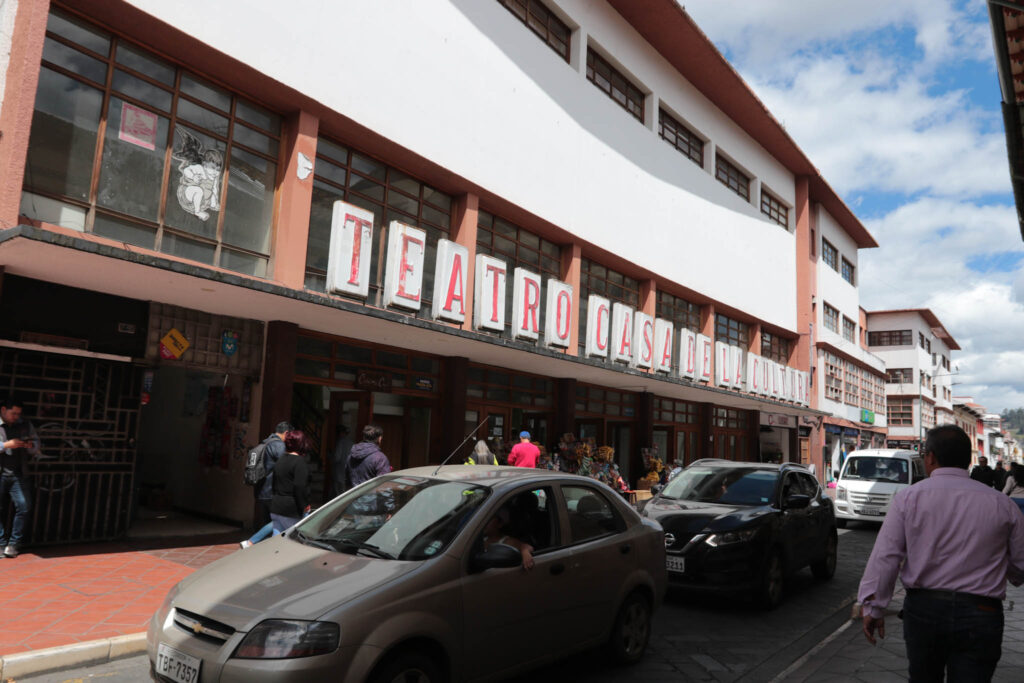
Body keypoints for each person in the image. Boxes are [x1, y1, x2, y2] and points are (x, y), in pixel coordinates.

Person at [858, 425, 1024, 681]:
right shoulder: (1003, 504)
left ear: (931, 456)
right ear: (968, 460)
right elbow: (1020, 565)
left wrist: (874, 607)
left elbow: (886, 557)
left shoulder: (908, 499)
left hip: (925, 610)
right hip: (982, 612)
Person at [0, 398, 39, 558]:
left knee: (24, 506)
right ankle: (1, 544)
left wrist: (28, 445)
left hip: (18, 473)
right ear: (3, 409)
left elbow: (36, 444)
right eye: (13, 413)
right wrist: (5, 445)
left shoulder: (25, 424)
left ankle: (14, 544)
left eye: (18, 414)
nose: (16, 416)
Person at [269, 430, 311, 533]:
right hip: (291, 509)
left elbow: (274, 482)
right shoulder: (299, 463)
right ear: (302, 444)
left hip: (276, 506)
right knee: (292, 541)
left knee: (277, 540)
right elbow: (299, 487)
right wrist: (304, 506)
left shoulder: (280, 459)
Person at [255, 421, 292, 528]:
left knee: (265, 523)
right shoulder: (279, 445)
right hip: (272, 492)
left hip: (261, 490)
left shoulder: (264, 442)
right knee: (275, 526)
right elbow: (285, 467)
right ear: (286, 433)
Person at [480, 506, 534, 570]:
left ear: (500, 524)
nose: (485, 523)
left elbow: (526, 546)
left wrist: (525, 552)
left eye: (489, 519)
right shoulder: (483, 539)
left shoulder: (507, 541)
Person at [331, 425, 353, 496]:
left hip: (339, 470)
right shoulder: (351, 443)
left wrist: (331, 457)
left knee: (338, 492)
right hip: (348, 470)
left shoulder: (340, 442)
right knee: (344, 492)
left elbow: (337, 457)